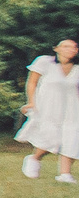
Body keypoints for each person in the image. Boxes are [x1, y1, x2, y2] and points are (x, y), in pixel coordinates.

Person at [18, 38, 79, 182]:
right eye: (65, 46)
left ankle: (65, 174)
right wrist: (31, 102)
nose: (70, 49)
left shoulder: (77, 69)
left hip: (72, 109)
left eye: (73, 47)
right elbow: (32, 83)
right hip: (48, 107)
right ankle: (34, 158)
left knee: (72, 138)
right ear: (56, 49)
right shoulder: (44, 62)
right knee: (51, 140)